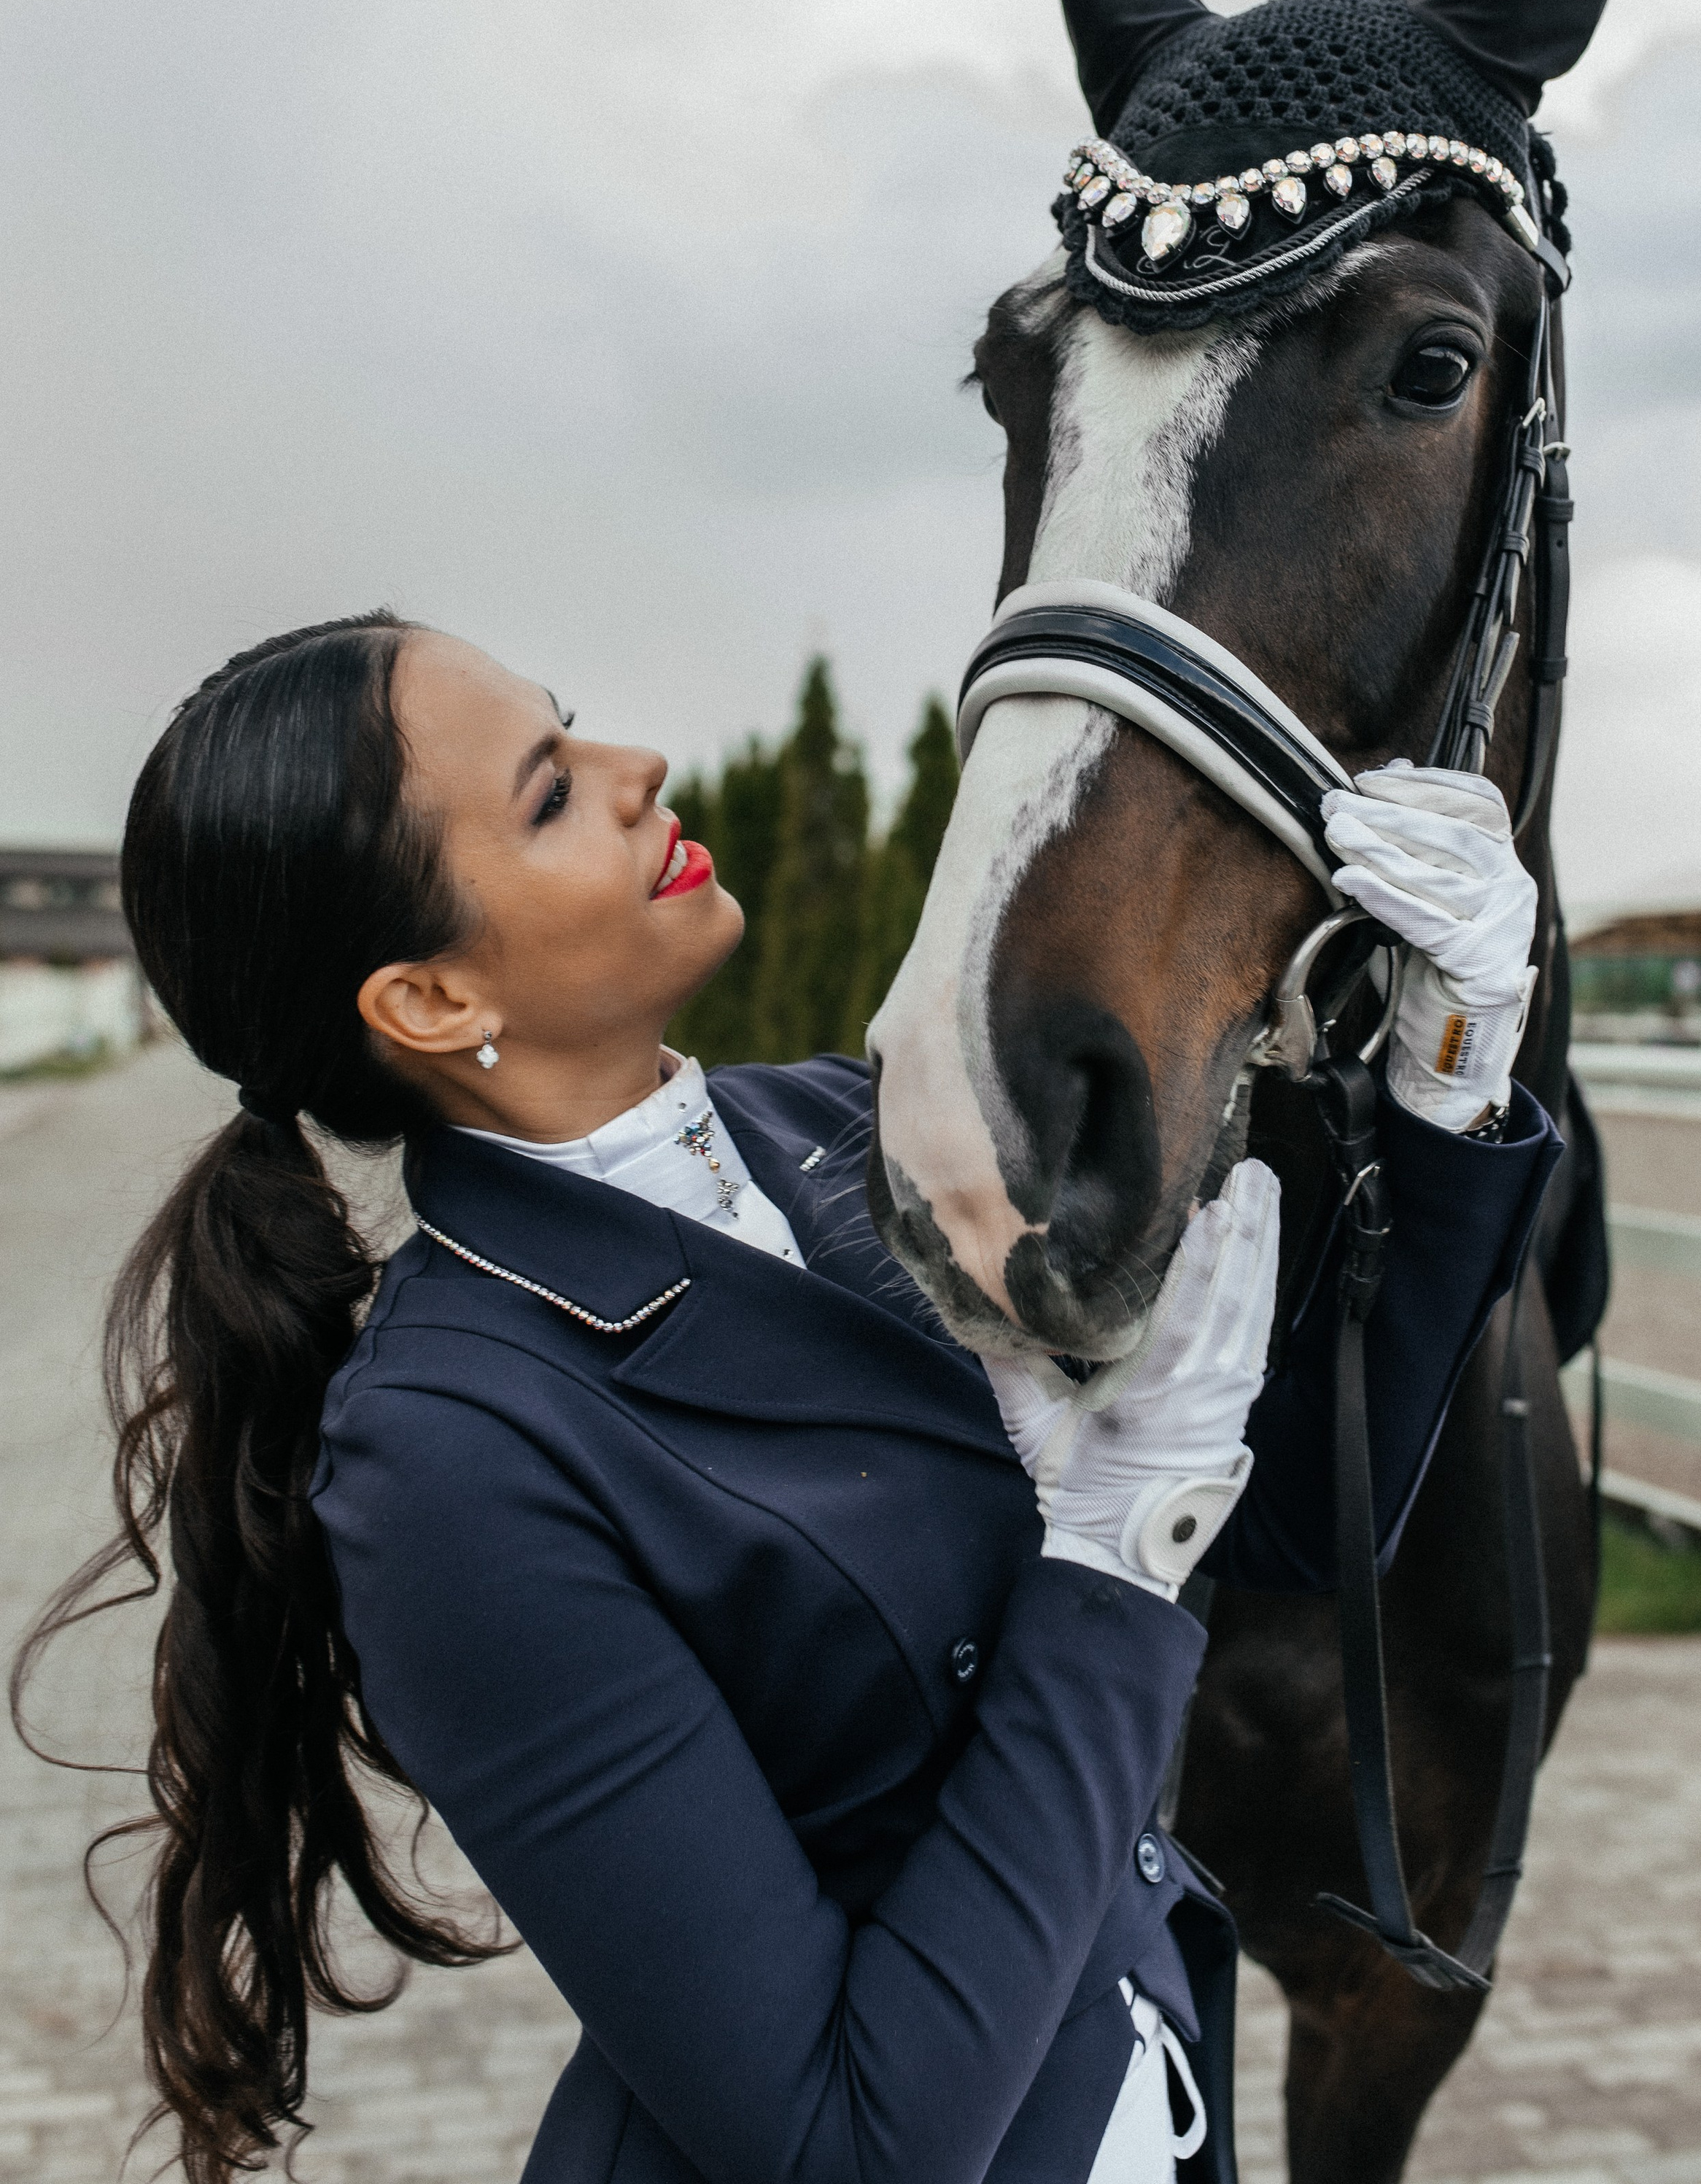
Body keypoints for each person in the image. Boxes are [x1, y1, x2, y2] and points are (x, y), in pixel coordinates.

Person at [18, 611, 1559, 2184]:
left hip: (1131, 2092)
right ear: (424, 1003)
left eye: (579, 728)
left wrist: (1444, 1071)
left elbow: (1288, 1503)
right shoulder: (447, 1462)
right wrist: (1103, 1559)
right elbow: (841, 2144)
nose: (641, 770)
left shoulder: (843, 1128)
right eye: (550, 793)